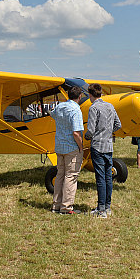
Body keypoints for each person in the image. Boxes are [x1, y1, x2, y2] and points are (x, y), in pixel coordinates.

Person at [85, 83, 121, 219]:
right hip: (108, 146)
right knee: (108, 177)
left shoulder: (93, 108)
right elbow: (118, 124)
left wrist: (87, 136)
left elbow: (91, 130)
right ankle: (107, 206)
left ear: (90, 95)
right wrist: (108, 133)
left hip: (98, 146)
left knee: (100, 178)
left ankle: (101, 210)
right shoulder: (110, 106)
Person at [49, 86, 84, 215]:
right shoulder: (76, 110)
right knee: (71, 176)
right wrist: (81, 147)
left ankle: (56, 205)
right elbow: (76, 133)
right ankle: (66, 207)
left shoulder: (60, 107)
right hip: (71, 147)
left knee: (60, 175)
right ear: (79, 96)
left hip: (59, 146)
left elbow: (52, 114)